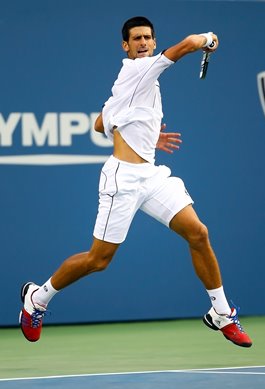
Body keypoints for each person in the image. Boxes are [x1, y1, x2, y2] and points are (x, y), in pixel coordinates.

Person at [19, 16, 252, 347]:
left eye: (147, 38)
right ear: (126, 47)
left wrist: (143, 135)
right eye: (136, 39)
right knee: (98, 259)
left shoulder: (132, 86)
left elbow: (100, 124)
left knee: (198, 233)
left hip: (152, 174)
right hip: (122, 179)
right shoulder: (138, 70)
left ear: (153, 42)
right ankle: (38, 298)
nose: (143, 42)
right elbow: (187, 45)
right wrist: (208, 37)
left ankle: (222, 313)